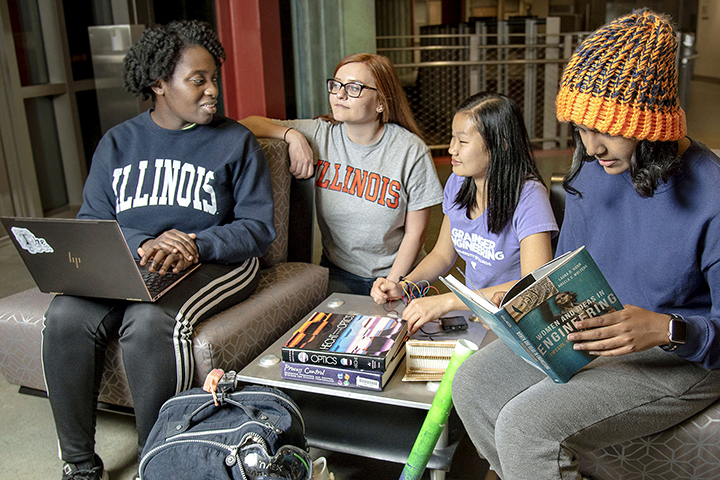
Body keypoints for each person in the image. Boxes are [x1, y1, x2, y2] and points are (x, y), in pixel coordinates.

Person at [452, 10, 720, 480]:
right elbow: (564, 275)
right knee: (472, 383)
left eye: (607, 129)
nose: (591, 147)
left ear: (651, 124)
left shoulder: (713, 195)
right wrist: (527, 311)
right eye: (581, 128)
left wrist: (665, 329)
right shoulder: (591, 176)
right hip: (594, 334)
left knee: (526, 426)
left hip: (677, 356)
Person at [42, 20, 275, 480]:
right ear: (158, 85)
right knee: (64, 315)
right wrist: (141, 242)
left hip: (215, 259)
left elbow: (258, 228)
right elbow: (92, 220)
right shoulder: (118, 142)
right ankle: (80, 465)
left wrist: (195, 243)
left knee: (148, 322)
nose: (213, 91)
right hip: (134, 259)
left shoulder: (235, 141)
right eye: (198, 81)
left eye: (214, 79)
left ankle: (158, 461)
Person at [240, 53, 443, 295]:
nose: (340, 94)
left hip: (403, 273)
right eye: (336, 85)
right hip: (340, 273)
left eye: (354, 87)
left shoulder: (411, 150)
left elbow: (415, 233)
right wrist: (291, 135)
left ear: (381, 102)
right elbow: (246, 123)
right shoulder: (322, 135)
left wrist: (394, 282)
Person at [370, 92, 558, 334]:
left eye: (463, 142)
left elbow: (534, 284)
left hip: (518, 323)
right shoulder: (458, 183)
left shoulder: (529, 197)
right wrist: (404, 286)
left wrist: (447, 301)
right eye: (452, 139)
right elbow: (442, 255)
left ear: (500, 144)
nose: (451, 149)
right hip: (476, 316)